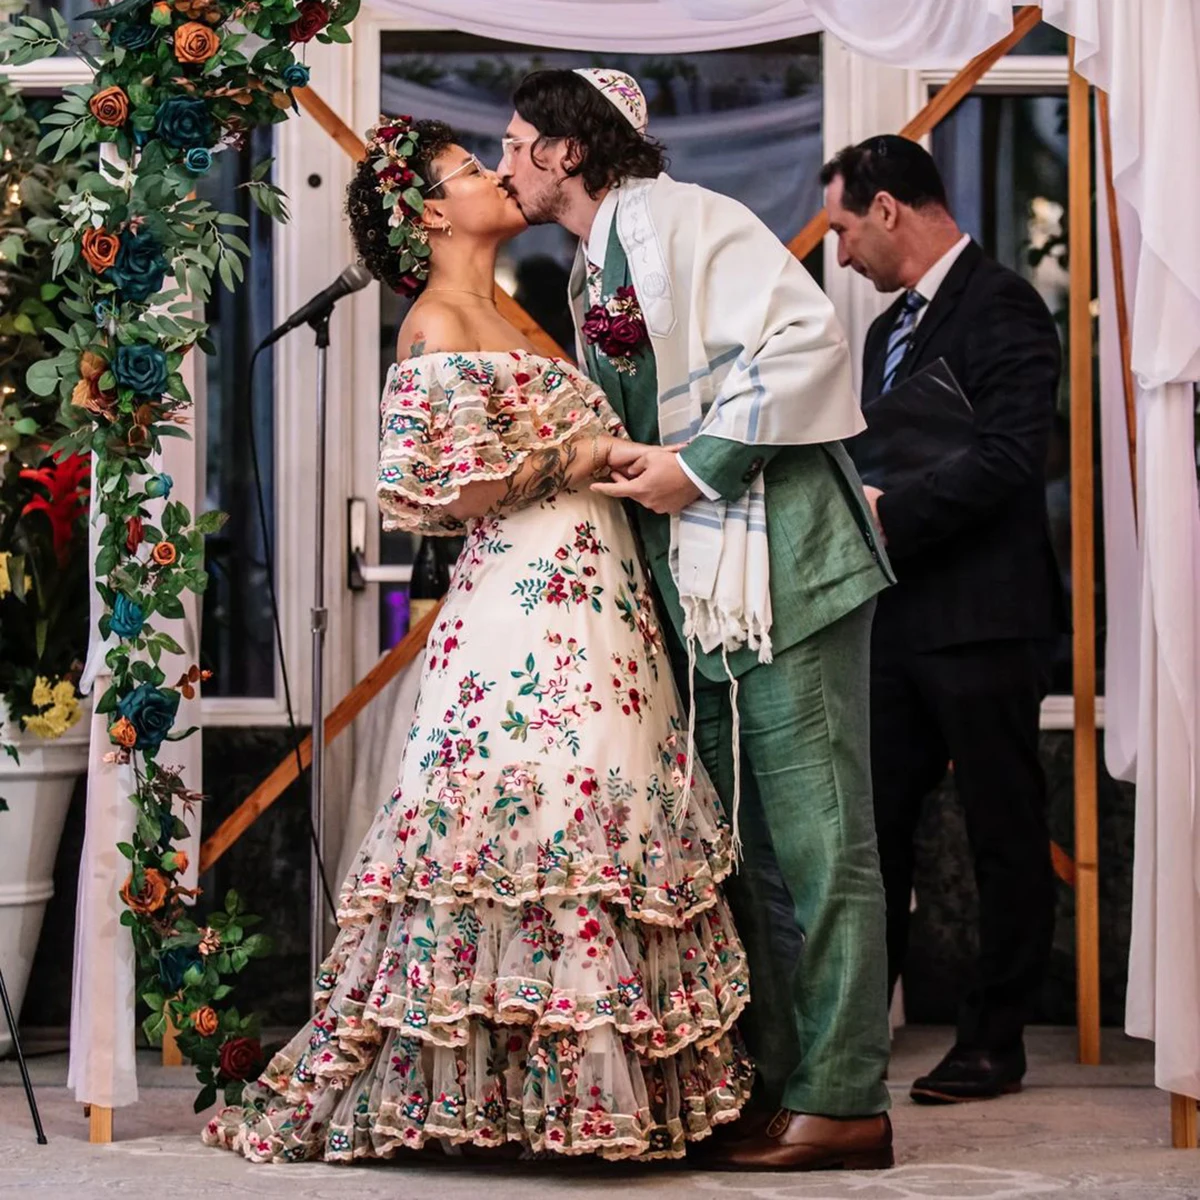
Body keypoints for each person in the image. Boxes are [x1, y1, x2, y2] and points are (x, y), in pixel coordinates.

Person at [203, 117, 754, 1164]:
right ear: (427, 212)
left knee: (602, 815)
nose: (500, 175)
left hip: (601, 597)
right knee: (532, 820)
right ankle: (504, 1099)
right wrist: (584, 451)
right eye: (471, 170)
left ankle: (590, 1098)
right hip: (522, 613)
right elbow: (432, 492)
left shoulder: (521, 306)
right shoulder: (437, 323)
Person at [500, 68, 895, 1172]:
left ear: (566, 153)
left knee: (821, 842)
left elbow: (805, 341)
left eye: (517, 140)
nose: (503, 161)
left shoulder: (690, 220)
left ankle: (848, 1098)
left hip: (789, 569)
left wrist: (699, 464)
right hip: (712, 587)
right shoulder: (596, 261)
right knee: (751, 850)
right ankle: (784, 1083)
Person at [821, 135, 1068, 1104]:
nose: (839, 254)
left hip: (985, 618)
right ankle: (847, 1046)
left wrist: (890, 510)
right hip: (895, 620)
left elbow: (1014, 456)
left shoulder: (1004, 303)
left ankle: (993, 1041)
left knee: (1003, 833)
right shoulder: (885, 335)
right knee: (871, 830)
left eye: (843, 229)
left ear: (888, 210)